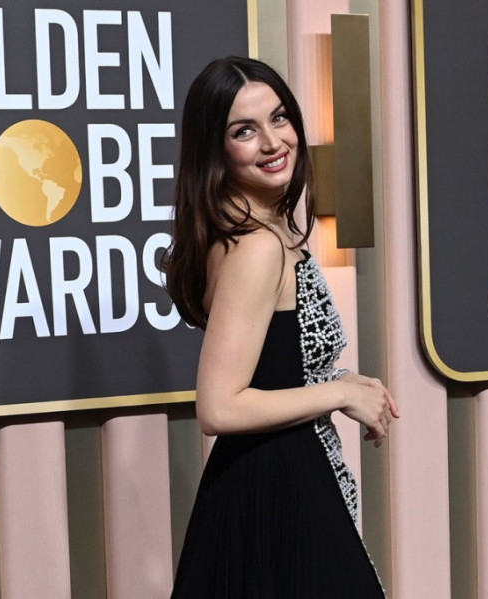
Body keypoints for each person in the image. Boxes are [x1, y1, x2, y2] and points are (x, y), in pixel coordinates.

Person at [165, 56, 399, 598]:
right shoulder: (256, 247)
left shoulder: (252, 230)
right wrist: (338, 392)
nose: (273, 142)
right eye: (244, 130)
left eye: (279, 118)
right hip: (277, 493)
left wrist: (340, 382)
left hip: (275, 481)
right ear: (215, 149)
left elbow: (274, 365)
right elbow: (219, 407)